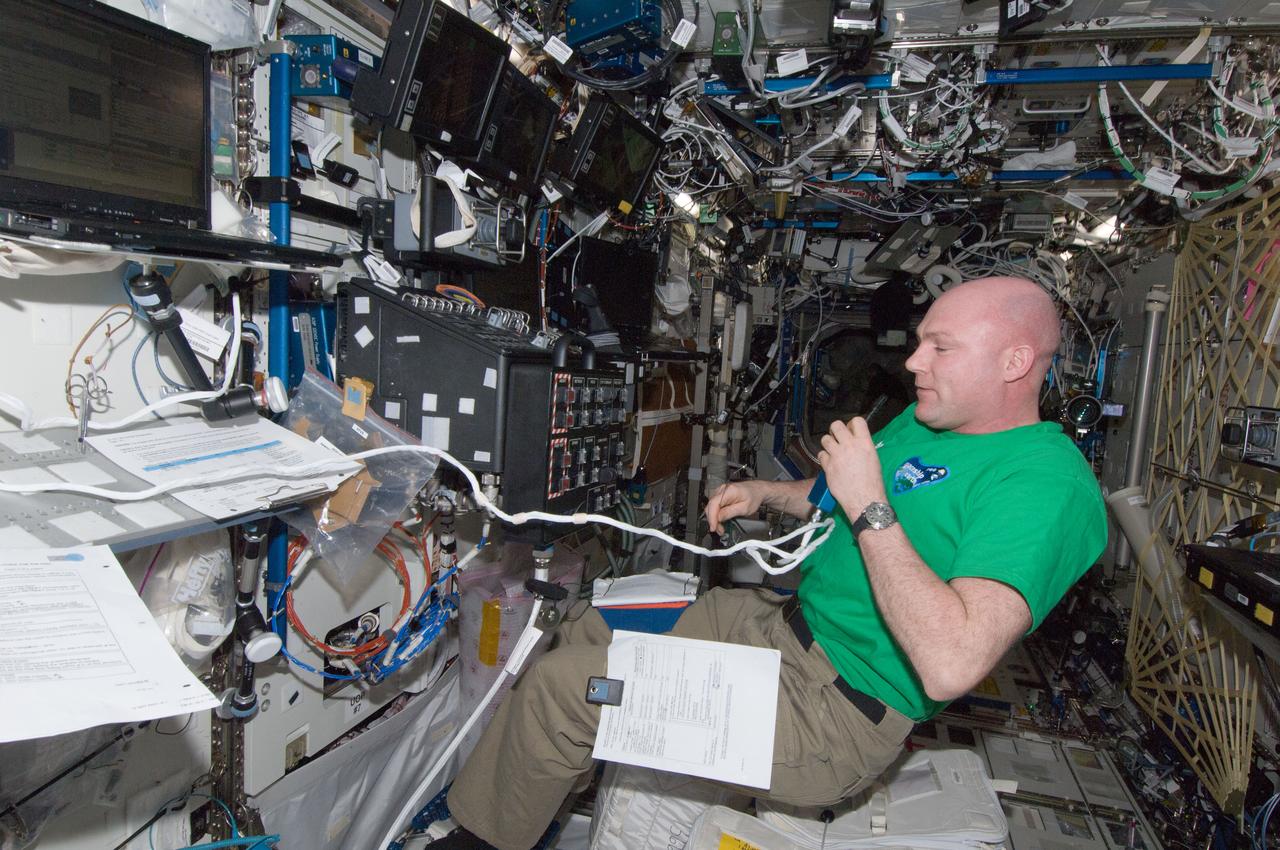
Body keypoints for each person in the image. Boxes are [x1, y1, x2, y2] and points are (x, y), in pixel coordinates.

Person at [431, 276, 1108, 850]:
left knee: (561, 690)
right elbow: (836, 493)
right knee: (586, 628)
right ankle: (544, 790)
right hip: (776, 628)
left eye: (942, 347)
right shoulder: (930, 420)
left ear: (1015, 361)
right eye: (922, 339)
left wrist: (872, 504)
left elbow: (953, 659)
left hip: (831, 714)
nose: (914, 363)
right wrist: (770, 494)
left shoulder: (1047, 486)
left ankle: (486, 838)